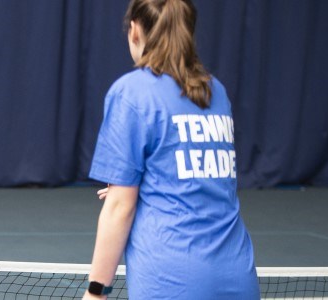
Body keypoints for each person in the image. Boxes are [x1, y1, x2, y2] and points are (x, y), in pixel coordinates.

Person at [83, 0, 259, 299]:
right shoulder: (215, 90)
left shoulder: (131, 92)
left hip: (171, 280)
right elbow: (197, 173)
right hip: (238, 275)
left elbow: (119, 207)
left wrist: (97, 290)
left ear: (135, 30)